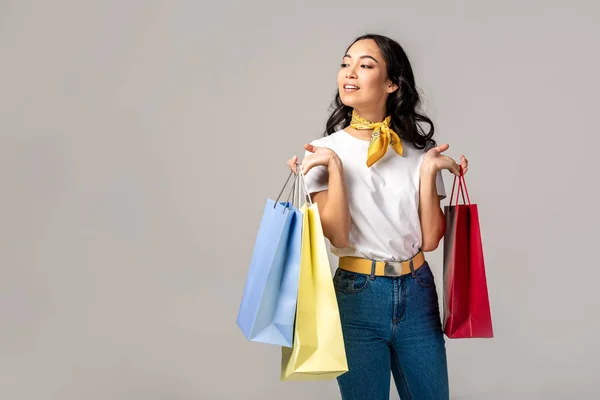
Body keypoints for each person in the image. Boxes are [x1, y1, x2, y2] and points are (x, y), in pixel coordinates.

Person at [286, 33, 469, 400]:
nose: (350, 73)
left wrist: (429, 172)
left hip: (417, 290)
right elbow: (337, 237)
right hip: (357, 294)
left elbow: (431, 240)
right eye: (345, 63)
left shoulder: (419, 150)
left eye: (365, 65)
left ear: (391, 84)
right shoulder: (323, 150)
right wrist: (335, 169)